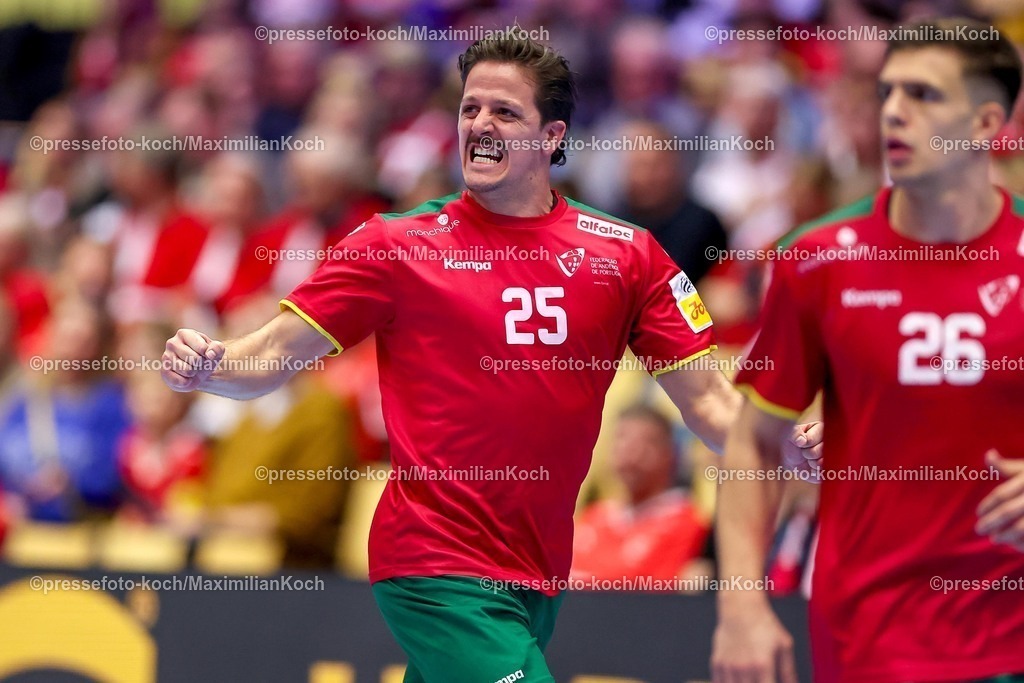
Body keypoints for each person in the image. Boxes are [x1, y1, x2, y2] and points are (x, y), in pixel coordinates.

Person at [161, 31, 821, 683]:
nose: (480, 124)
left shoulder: (628, 255)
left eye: (505, 112)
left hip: (537, 568)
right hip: (432, 561)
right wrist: (212, 362)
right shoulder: (396, 245)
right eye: (471, 108)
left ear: (552, 136)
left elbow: (706, 401)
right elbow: (274, 353)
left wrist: (788, 441)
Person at [713, 18, 1024, 683]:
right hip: (872, 637)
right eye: (887, 92)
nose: (894, 113)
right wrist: (740, 602)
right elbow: (757, 444)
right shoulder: (820, 261)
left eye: (923, 95)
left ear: (986, 122)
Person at [571, 404, 709, 588]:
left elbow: (653, 590)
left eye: (646, 443)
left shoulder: (687, 523)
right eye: (622, 439)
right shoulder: (592, 516)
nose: (631, 453)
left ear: (670, 455)